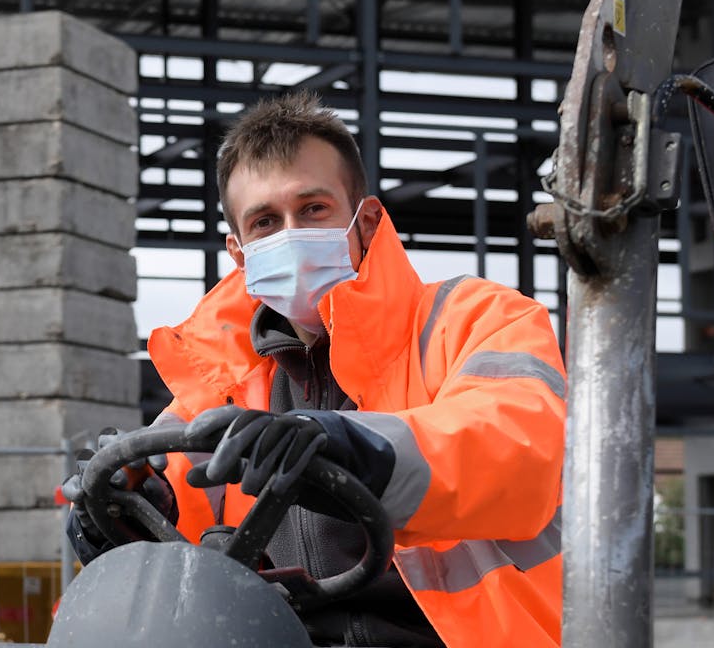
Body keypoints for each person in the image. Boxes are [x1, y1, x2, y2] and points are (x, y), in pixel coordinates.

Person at [65, 92, 565, 648]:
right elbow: (181, 564)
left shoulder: (476, 319)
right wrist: (131, 512)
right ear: (239, 253)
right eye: (264, 222)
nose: (290, 235)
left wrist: (352, 446)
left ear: (368, 222)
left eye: (313, 210)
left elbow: (519, 449)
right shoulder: (219, 389)